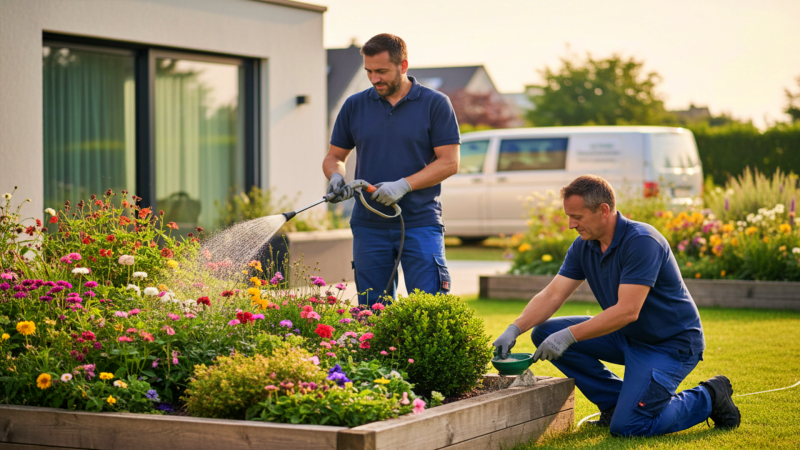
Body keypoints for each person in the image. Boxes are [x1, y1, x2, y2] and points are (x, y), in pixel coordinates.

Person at [493, 175, 740, 437]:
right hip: (626, 337)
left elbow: (627, 311)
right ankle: (613, 403)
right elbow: (553, 294)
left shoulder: (642, 242)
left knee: (630, 426)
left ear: (603, 210)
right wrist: (514, 328)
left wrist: (569, 335)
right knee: (543, 332)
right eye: (568, 216)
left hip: (669, 346)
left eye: (577, 216)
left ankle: (710, 396)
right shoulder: (584, 246)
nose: (570, 224)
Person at [322, 33, 461, 306]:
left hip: (420, 223)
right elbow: (334, 156)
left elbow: (449, 162)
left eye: (382, 71)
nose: (374, 79)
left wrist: (403, 185)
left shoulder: (435, 104)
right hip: (368, 225)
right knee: (371, 312)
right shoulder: (354, 105)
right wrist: (336, 176)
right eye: (369, 72)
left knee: (430, 308)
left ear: (403, 66)